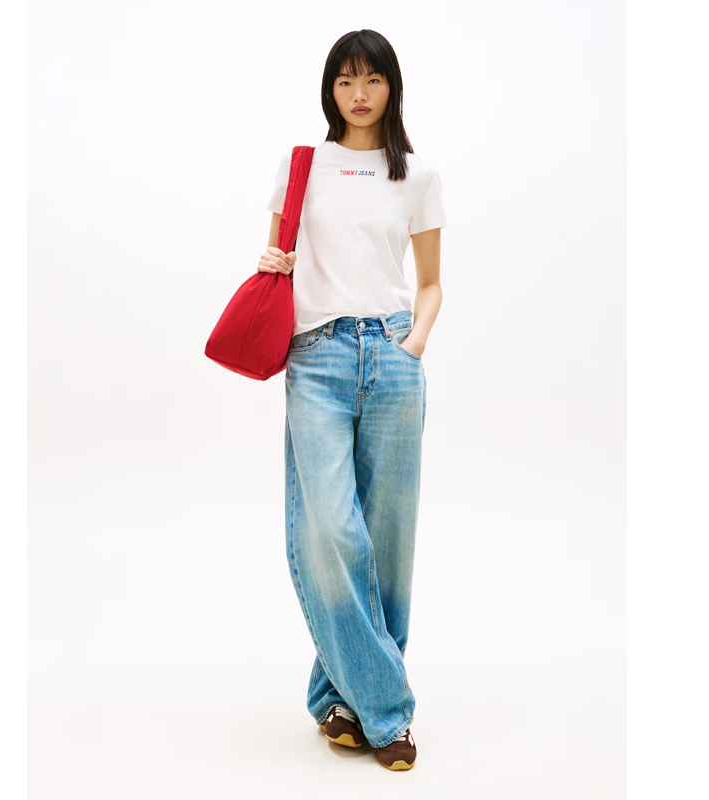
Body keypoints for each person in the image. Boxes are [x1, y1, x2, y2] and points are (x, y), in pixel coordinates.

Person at [257, 29, 447, 772]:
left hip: (393, 354)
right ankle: (388, 712)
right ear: (329, 89)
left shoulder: (417, 175)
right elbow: (279, 258)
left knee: (387, 541)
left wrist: (414, 342)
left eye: (372, 80)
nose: (359, 94)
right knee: (332, 530)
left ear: (391, 86)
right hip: (318, 356)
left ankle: (337, 700)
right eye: (345, 80)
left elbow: (430, 283)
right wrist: (271, 261)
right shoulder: (303, 165)